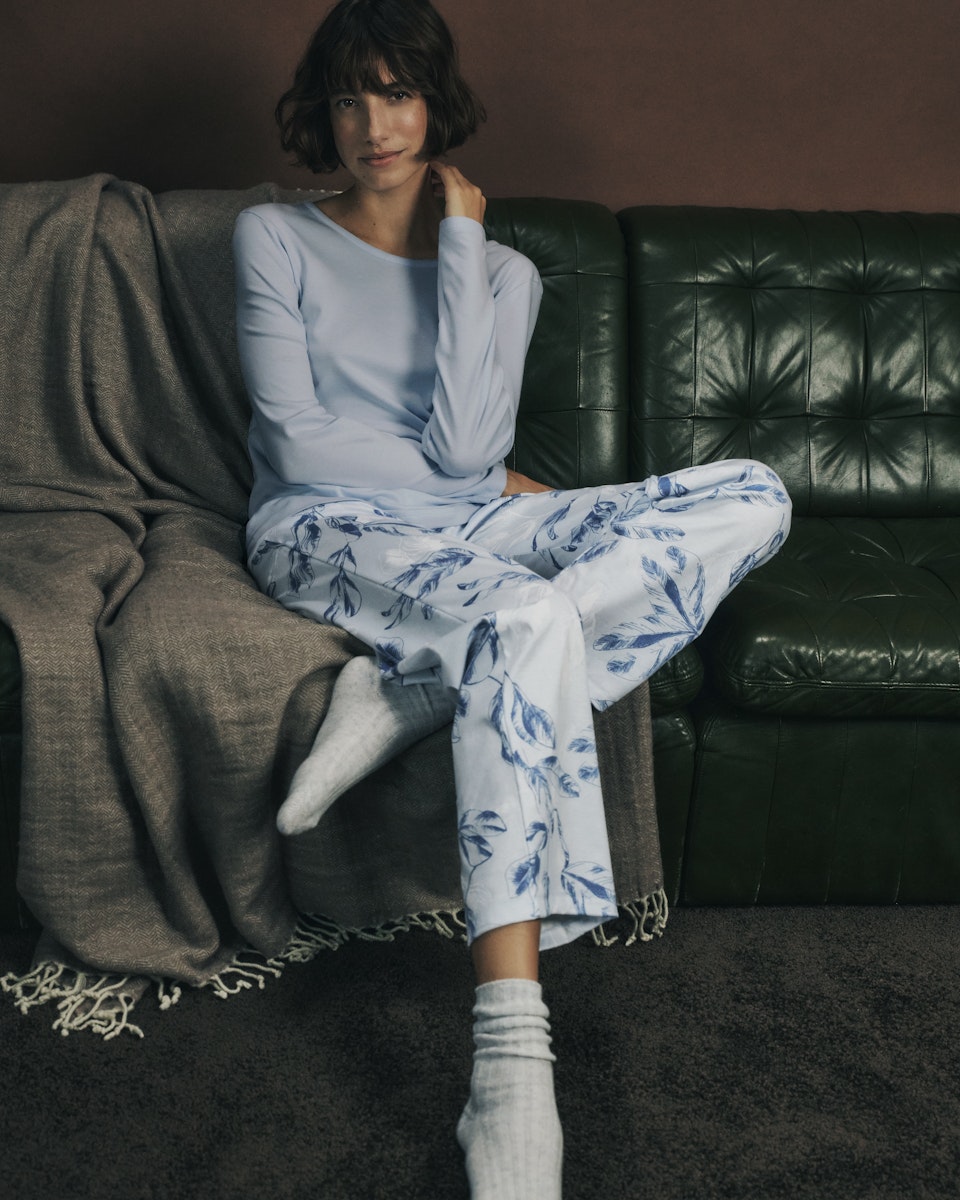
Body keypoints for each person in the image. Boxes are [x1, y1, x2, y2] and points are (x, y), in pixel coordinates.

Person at [232, 1, 792, 1195]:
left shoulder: (502, 271)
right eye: (347, 97)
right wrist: (465, 486)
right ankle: (510, 1065)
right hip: (323, 529)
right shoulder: (273, 238)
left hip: (473, 523)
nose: (372, 124)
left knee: (754, 495)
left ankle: (416, 687)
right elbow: (298, 445)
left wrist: (463, 253)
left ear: (435, 102)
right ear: (323, 111)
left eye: (396, 92)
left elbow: (469, 444)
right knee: (526, 618)